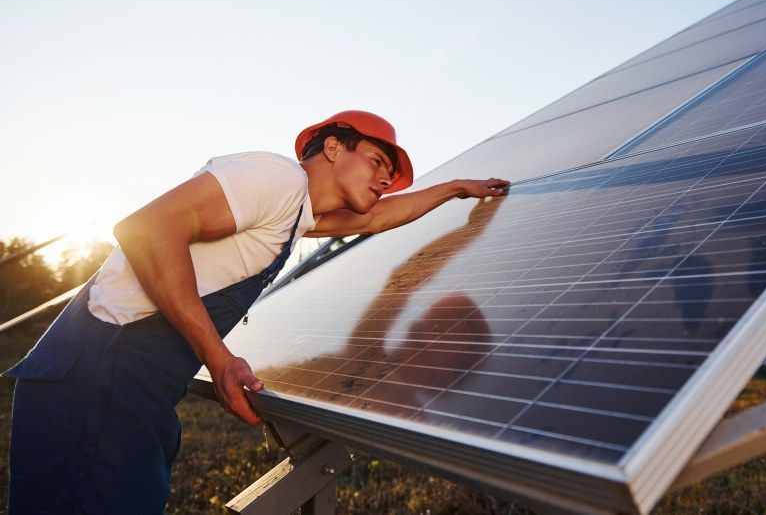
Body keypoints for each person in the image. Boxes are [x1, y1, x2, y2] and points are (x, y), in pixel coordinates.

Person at [4, 110, 509, 514]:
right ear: (333, 147)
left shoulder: (294, 215)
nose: (385, 180)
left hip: (131, 392)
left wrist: (456, 189)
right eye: (377, 161)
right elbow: (148, 229)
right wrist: (219, 358)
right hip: (95, 379)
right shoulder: (275, 178)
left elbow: (378, 218)